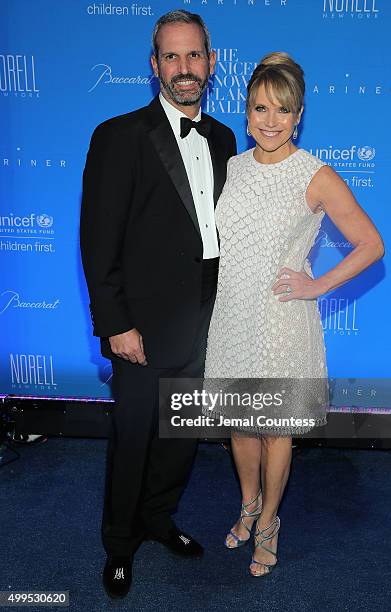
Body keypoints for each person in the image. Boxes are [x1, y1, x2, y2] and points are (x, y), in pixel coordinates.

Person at [204, 52, 384, 577]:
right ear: (247, 111)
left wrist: (317, 285)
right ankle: (248, 505)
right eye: (260, 108)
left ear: (299, 114)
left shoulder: (315, 175)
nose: (270, 120)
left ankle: (269, 524)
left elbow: (371, 244)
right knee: (240, 424)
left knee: (274, 429)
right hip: (232, 315)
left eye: (282, 110)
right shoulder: (233, 167)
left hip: (282, 321)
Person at [80, 9, 236, 598]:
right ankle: (119, 543)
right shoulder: (118, 136)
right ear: (154, 67)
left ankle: (159, 519)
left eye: (194, 55)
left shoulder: (223, 138)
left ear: (211, 62)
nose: (184, 68)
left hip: (205, 322)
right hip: (140, 329)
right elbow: (98, 242)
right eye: (171, 57)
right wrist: (116, 323)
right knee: (134, 437)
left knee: (180, 437)